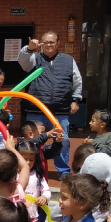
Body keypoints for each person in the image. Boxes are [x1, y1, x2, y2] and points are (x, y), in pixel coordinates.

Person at [18, 31, 83, 176]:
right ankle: (30, 166)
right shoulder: (33, 58)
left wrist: (76, 100)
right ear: (41, 44)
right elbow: (22, 60)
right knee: (32, 140)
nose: (48, 45)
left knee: (63, 141)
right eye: (45, 42)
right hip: (36, 109)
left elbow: (77, 82)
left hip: (60, 110)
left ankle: (63, 171)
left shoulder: (68, 60)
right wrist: (29, 48)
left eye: (51, 42)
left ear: (58, 43)